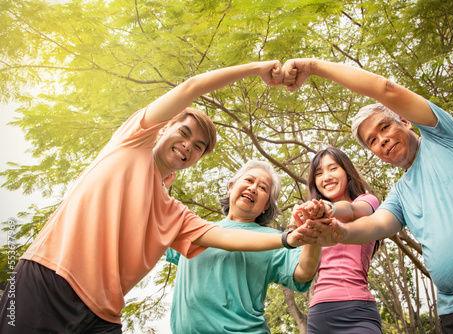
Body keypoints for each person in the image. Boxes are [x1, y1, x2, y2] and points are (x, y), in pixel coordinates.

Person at [0, 61, 319, 334]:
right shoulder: (131, 141)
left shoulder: (174, 215)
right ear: (164, 128)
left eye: (198, 147)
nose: (188, 146)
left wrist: (289, 239)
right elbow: (193, 87)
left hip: (102, 316)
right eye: (184, 133)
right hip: (47, 280)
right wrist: (255, 69)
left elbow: (227, 237)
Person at [282, 58, 453, 333]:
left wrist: (313, 67)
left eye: (384, 127)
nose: (381, 140)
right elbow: (376, 225)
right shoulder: (400, 192)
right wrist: (339, 233)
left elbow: (385, 89)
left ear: (406, 121)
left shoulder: (443, 137)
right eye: (372, 140)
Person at [165, 160, 324, 333]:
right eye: (249, 180)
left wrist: (313, 232)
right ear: (231, 187)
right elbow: (150, 226)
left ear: (266, 206)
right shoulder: (194, 228)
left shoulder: (274, 239)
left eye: (263, 188)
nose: (253, 188)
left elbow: (303, 272)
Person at [292, 146, 382, 333]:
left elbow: (351, 210)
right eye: (319, 173)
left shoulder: (367, 201)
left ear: (347, 172)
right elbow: (303, 266)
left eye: (333, 168)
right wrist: (300, 226)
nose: (326, 177)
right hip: (319, 313)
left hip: (357, 310)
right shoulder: (315, 220)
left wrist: (329, 208)